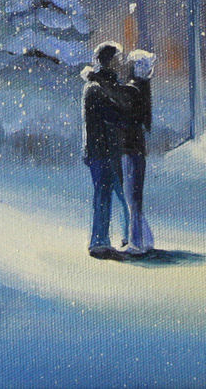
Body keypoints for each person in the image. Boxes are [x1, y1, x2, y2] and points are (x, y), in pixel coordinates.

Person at [80, 42, 128, 257]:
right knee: (104, 195)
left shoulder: (109, 85)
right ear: (109, 61)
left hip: (111, 150)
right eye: (118, 59)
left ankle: (128, 237)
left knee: (117, 194)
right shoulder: (96, 87)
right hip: (101, 150)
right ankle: (99, 241)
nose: (122, 63)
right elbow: (113, 115)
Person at [119, 49, 156, 256]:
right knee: (134, 197)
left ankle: (136, 242)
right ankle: (143, 239)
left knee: (131, 197)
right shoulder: (143, 88)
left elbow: (124, 117)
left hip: (129, 147)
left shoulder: (132, 89)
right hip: (136, 148)